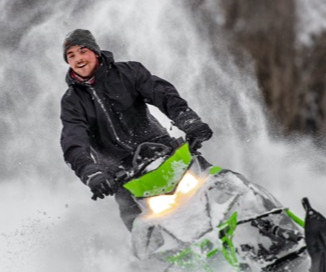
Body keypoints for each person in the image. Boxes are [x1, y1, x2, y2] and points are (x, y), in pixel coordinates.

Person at [60, 29, 213, 230]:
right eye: (71, 56)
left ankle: (257, 214)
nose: (78, 59)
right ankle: (155, 260)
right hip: (121, 173)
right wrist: (91, 173)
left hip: (163, 150)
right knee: (138, 222)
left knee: (213, 180)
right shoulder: (72, 101)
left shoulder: (129, 72)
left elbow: (164, 95)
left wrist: (189, 122)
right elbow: (73, 140)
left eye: (83, 51)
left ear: (96, 52)